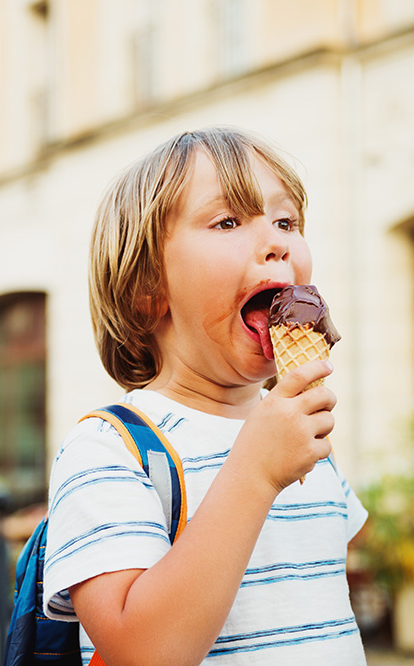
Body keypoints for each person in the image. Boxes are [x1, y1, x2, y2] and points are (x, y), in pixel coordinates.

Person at [44, 127, 368, 665]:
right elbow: (138, 651)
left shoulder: (298, 436)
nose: (277, 241)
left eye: (286, 221)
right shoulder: (109, 448)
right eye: (228, 221)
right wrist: (255, 473)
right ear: (148, 290)